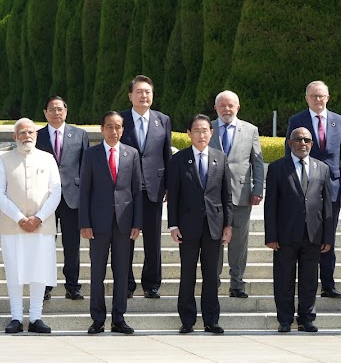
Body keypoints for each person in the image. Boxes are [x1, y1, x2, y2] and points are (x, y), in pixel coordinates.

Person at [285, 80, 341, 299]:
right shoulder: (296, 120)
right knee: (309, 236)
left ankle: (328, 283)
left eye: (321, 96)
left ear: (328, 97)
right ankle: (308, 284)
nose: (318, 99)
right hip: (306, 188)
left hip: (332, 188)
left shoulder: (340, 121)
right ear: (306, 98)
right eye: (313, 96)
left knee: (328, 238)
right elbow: (290, 155)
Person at [0, 119, 62, 334]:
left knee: (38, 271)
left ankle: (35, 317)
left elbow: (56, 192)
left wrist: (39, 217)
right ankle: (15, 317)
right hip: (13, 226)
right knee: (15, 271)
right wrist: (20, 218)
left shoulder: (48, 159)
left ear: (36, 135)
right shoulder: (4, 160)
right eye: (21, 132)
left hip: (42, 226)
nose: (26, 135)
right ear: (15, 137)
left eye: (30, 131)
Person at [168, 115, 233, 334]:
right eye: (197, 130)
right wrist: (173, 225)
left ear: (211, 133)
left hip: (214, 225)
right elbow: (174, 195)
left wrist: (228, 225)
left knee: (212, 275)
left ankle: (211, 320)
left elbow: (227, 195)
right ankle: (187, 320)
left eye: (205, 130)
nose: (201, 134)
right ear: (189, 133)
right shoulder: (179, 159)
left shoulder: (220, 158)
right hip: (187, 226)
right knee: (188, 273)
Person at [79, 112, 143, 334]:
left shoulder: (132, 154)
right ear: (102, 129)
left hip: (124, 223)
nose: (113, 131)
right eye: (109, 127)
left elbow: (136, 190)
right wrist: (84, 223)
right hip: (97, 223)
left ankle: (119, 318)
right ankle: (97, 319)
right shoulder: (91, 154)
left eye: (117, 127)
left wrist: (137, 222)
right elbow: (85, 191)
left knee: (122, 271)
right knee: (97, 271)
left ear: (123, 130)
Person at [265, 127, 334, 333]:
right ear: (289, 143)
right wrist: (271, 235)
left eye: (307, 140)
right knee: (284, 279)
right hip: (285, 234)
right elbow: (271, 204)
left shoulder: (322, 168)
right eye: (298, 139)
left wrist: (328, 236)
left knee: (309, 280)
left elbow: (328, 205)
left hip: (313, 233)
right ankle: (285, 319)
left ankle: (306, 318)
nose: (302, 143)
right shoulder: (277, 168)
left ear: (312, 144)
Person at [119, 75, 172, 299]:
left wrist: (169, 185)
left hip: (154, 187)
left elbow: (166, 154)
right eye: (139, 92)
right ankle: (126, 284)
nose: (144, 96)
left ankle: (151, 284)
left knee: (153, 240)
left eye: (148, 92)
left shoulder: (163, 120)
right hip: (126, 190)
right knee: (125, 238)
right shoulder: (120, 119)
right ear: (130, 95)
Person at [209, 90, 264, 299]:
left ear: (238, 107)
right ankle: (213, 281)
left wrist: (258, 188)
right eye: (222, 105)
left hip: (241, 195)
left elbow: (257, 163)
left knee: (239, 242)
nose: (226, 109)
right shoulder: (207, 128)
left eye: (230, 105)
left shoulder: (250, 130)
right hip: (212, 196)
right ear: (215, 108)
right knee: (214, 240)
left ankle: (237, 283)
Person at [36, 95, 89, 301]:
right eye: (52, 109)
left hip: (71, 197)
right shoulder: (38, 136)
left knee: (72, 244)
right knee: (46, 243)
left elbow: (85, 168)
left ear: (66, 111)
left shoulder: (79, 134)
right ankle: (46, 285)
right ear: (45, 113)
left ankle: (73, 286)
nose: (56, 113)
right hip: (45, 197)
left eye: (60, 109)